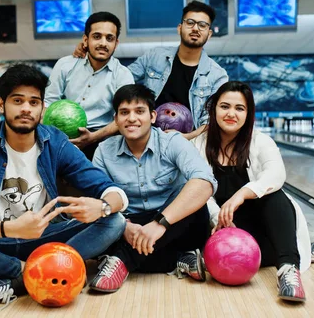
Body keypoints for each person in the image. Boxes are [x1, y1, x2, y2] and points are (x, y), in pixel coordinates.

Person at [0, 64, 128, 310]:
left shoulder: (54, 141)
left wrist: (102, 206)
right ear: (2, 104)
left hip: (44, 238)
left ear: (42, 109)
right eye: (18, 100)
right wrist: (9, 228)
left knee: (115, 220)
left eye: (34, 102)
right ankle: (28, 273)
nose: (26, 108)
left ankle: (13, 281)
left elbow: (114, 192)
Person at [192, 81, 314, 302]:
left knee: (274, 195)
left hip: (260, 226)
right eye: (224, 106)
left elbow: (276, 174)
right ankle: (302, 251)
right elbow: (198, 188)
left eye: (239, 108)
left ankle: (289, 269)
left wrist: (241, 194)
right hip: (219, 230)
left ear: (248, 113)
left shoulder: (260, 140)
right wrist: (218, 218)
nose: (231, 113)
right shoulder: (199, 143)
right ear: (214, 109)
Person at [88, 84, 217, 293]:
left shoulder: (172, 142)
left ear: (153, 116)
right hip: (131, 227)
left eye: (139, 111)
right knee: (96, 221)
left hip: (177, 226)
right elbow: (98, 198)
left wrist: (160, 223)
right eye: (124, 112)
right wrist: (124, 227)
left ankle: (122, 260)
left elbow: (205, 182)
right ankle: (180, 259)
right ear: (116, 119)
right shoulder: (104, 151)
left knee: (194, 202)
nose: (131, 118)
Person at [74, 1, 228, 140]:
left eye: (202, 25)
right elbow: (120, 77)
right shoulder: (155, 56)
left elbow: (211, 119)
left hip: (187, 143)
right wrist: (93, 53)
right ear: (180, 28)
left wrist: (187, 137)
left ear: (209, 34)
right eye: (190, 22)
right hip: (144, 137)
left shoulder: (217, 75)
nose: (195, 28)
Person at [45, 11, 134, 159]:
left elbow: (123, 117)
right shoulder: (65, 65)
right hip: (60, 137)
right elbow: (48, 103)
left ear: (116, 44)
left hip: (102, 140)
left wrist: (92, 137)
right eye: (97, 36)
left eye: (109, 38)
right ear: (85, 40)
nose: (103, 43)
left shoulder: (123, 75)